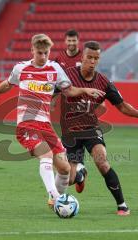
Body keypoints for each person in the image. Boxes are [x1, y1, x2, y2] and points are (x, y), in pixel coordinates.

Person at [0, 34, 105, 208]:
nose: (43, 57)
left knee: (65, 169)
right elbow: (7, 83)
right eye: (40, 53)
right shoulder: (21, 68)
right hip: (26, 125)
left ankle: (56, 203)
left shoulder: (55, 69)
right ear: (32, 50)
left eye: (46, 53)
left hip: (46, 126)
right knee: (46, 154)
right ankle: (56, 197)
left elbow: (69, 90)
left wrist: (85, 90)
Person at [57, 40, 138, 216]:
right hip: (70, 132)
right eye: (89, 57)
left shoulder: (103, 82)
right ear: (82, 57)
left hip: (91, 129)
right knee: (68, 179)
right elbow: (51, 92)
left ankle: (122, 205)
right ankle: (80, 174)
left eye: (96, 58)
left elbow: (123, 106)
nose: (92, 61)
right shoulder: (66, 75)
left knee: (101, 161)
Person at [54, 29, 106, 193]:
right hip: (68, 109)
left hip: (85, 107)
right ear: (65, 42)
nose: (71, 43)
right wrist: (53, 100)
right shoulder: (59, 59)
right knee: (68, 176)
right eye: (68, 41)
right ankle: (80, 174)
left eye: (74, 41)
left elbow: (93, 79)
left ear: (78, 42)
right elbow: (57, 83)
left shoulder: (85, 57)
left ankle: (55, 194)